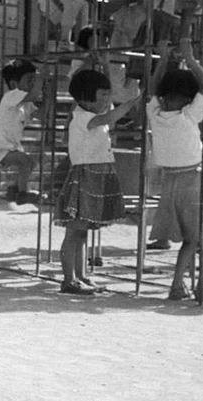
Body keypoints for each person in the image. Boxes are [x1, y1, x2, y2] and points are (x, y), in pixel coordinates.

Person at [146, 36, 203, 303]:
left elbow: (153, 89)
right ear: (188, 99)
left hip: (171, 181)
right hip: (193, 179)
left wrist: (163, 59)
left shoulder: (155, 112)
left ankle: (184, 284)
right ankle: (191, 285)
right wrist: (190, 59)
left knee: (193, 238)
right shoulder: (188, 115)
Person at [57, 69, 141, 295]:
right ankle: (68, 280)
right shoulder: (82, 115)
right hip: (86, 175)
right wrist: (132, 101)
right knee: (74, 231)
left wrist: (106, 66)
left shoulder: (96, 115)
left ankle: (80, 275)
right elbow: (108, 117)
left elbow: (109, 116)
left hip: (99, 174)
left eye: (107, 95)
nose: (106, 100)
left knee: (83, 232)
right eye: (102, 96)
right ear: (85, 98)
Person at [0, 59, 44, 205]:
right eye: (30, 80)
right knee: (25, 161)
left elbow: (42, 115)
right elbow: (34, 95)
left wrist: (48, 96)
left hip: (9, 146)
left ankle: (14, 189)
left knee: (31, 163)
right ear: (14, 84)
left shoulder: (26, 104)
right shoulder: (11, 96)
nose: (33, 84)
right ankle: (23, 193)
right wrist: (43, 77)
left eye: (34, 81)